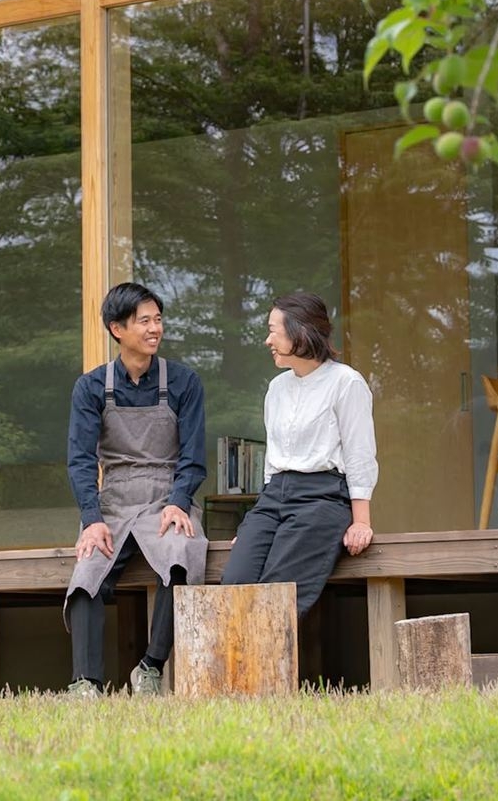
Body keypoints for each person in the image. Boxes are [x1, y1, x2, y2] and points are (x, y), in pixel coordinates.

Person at [64, 282, 208, 695]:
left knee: (181, 553)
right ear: (117, 329)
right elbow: (80, 460)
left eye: (158, 319)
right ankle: (85, 683)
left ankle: (150, 668)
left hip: (168, 494)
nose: (154, 329)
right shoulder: (90, 387)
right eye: (144, 321)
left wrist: (180, 501)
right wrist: (91, 519)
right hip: (114, 497)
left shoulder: (184, 382)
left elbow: (194, 456)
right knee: (89, 569)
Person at [220, 291, 377, 617]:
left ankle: (262, 669)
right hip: (273, 498)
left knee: (278, 596)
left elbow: (360, 453)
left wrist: (361, 521)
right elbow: (273, 460)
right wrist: (253, 529)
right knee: (235, 580)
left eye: (273, 330)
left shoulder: (346, 382)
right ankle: (244, 669)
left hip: (321, 498)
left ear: (300, 331)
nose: (268, 340)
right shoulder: (277, 388)